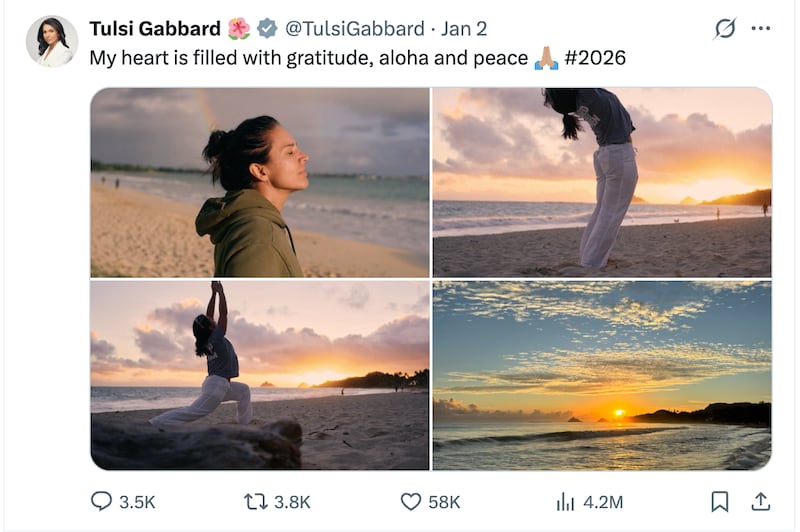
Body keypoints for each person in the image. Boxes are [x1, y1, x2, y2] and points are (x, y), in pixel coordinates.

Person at [196, 116, 309, 277]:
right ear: (260, 171)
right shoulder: (258, 235)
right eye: (290, 152)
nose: (305, 157)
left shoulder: (244, 222)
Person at [544, 88, 638, 269]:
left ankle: (588, 258)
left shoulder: (583, 100)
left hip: (608, 154)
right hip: (617, 155)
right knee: (610, 214)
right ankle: (591, 263)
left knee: (604, 211)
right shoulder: (588, 95)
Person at [150, 281, 252, 426]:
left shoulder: (208, 339)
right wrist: (221, 292)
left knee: (243, 391)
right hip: (216, 386)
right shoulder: (216, 338)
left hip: (221, 385)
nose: (211, 318)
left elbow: (209, 314)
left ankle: (243, 423)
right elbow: (223, 314)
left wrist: (213, 294)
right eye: (210, 320)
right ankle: (155, 423)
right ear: (210, 327)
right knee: (191, 412)